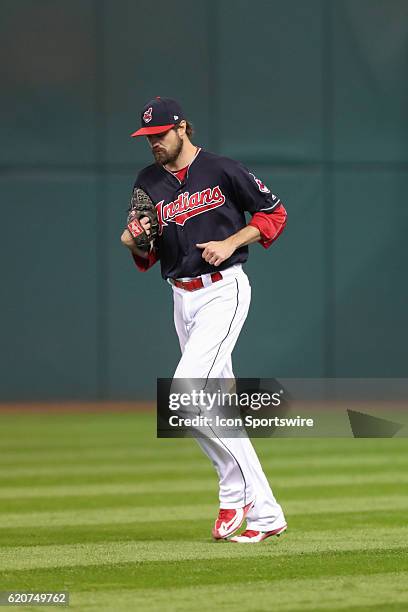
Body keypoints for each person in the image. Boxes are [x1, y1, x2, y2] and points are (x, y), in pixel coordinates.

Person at [121, 96, 288, 543]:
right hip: (182, 299)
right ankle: (266, 515)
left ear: (182, 128)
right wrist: (136, 241)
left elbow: (274, 213)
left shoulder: (222, 169)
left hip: (222, 290)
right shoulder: (147, 181)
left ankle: (236, 494)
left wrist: (232, 241)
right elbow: (148, 251)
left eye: (159, 135)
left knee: (183, 396)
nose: (153, 143)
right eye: (147, 137)